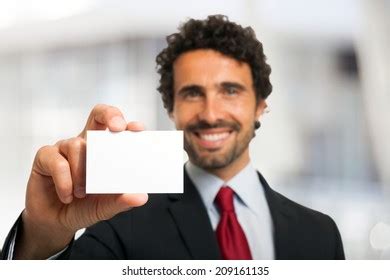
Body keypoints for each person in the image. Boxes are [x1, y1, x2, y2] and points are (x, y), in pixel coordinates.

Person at [2, 15, 344, 260]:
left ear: (260, 107)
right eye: (193, 93)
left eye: (230, 91)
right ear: (171, 109)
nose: (211, 113)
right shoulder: (120, 222)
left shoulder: (320, 235)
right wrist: (43, 234)